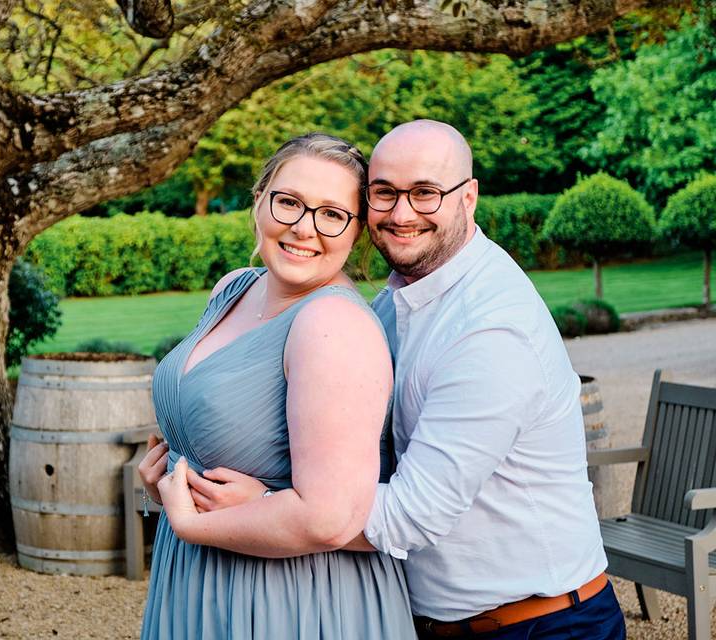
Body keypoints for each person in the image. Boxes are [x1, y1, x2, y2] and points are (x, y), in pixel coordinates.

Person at [163, 120, 626, 639]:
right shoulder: (398, 298)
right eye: (384, 193)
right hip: (431, 615)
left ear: (468, 197)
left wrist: (261, 506)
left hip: (536, 624)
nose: (402, 213)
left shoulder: (491, 330)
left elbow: (410, 514)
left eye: (425, 193)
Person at [137, 132, 417, 639]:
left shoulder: (333, 325)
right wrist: (173, 476)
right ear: (259, 201)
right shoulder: (234, 287)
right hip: (197, 577)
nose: (304, 228)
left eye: (332, 214)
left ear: (357, 232)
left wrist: (192, 523)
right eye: (288, 203)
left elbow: (328, 518)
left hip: (291, 597)